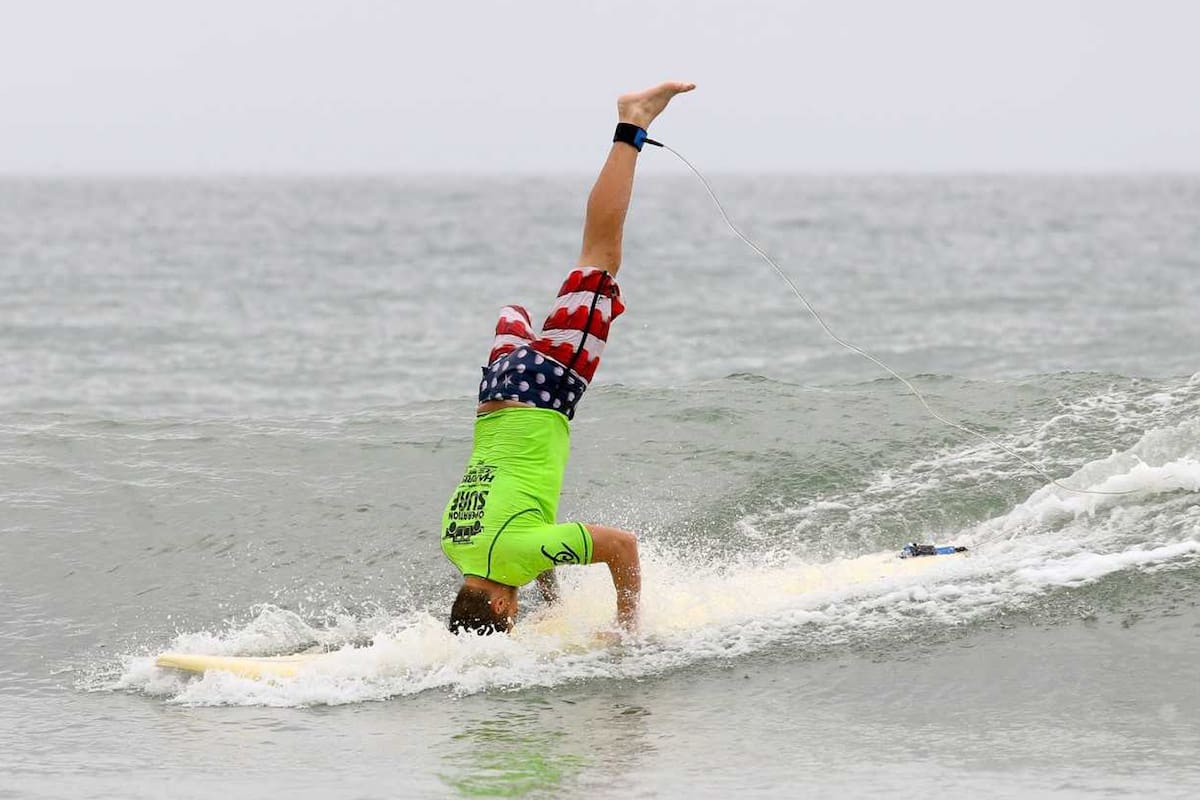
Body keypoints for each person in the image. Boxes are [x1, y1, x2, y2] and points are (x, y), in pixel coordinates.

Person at [440, 80, 696, 635]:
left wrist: (627, 630)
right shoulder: (456, 544)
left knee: (599, 257)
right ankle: (524, 311)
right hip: (496, 388)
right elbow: (530, 544)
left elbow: (622, 547)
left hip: (545, 386)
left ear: (503, 608)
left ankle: (632, 124)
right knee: (523, 308)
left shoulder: (519, 554)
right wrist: (553, 600)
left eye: (513, 616)